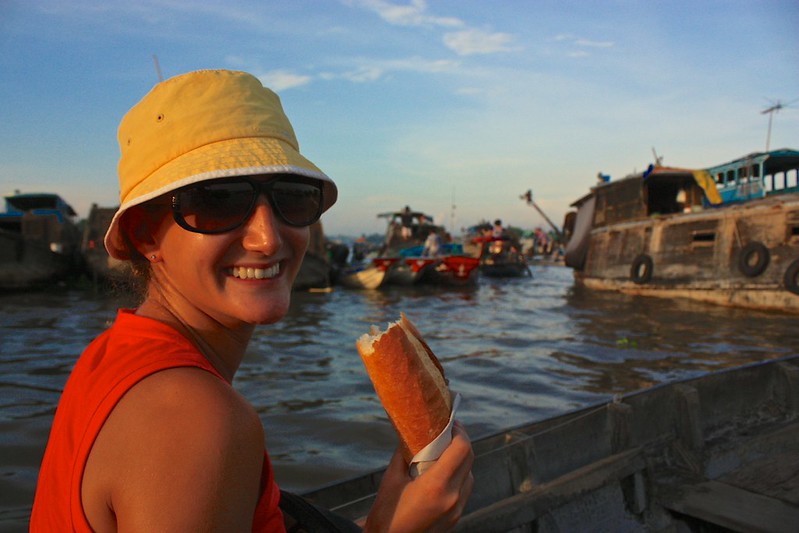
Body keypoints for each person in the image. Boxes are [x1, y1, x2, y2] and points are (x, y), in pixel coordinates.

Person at [31, 69, 474, 532]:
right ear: (145, 234)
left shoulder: (112, 356)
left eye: (293, 198)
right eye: (218, 200)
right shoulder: (195, 420)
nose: (267, 238)